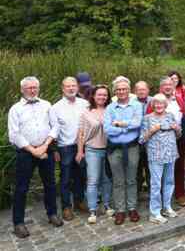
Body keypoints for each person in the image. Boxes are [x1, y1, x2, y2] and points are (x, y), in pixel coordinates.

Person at [9, 76, 63, 238]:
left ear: (38, 89)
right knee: (21, 188)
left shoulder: (47, 105)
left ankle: (52, 213)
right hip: (26, 152)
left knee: (50, 184)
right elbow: (14, 134)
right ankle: (18, 223)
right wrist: (33, 150)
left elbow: (55, 126)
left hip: (46, 148)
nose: (32, 90)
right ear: (22, 89)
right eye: (29, 88)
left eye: (35, 87)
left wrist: (45, 146)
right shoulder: (15, 109)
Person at [104, 76, 143, 225]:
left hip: (132, 148)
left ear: (129, 90)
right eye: (118, 89)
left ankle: (132, 208)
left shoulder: (136, 105)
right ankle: (120, 210)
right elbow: (107, 129)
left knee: (132, 179)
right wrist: (126, 128)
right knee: (118, 181)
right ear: (115, 91)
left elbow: (137, 123)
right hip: (115, 149)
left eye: (124, 89)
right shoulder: (110, 108)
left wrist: (119, 124)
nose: (121, 91)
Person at [50, 77, 90, 221]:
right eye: (68, 86)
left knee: (81, 175)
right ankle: (66, 206)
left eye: (73, 86)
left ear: (77, 87)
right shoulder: (55, 108)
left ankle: (79, 201)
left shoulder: (85, 104)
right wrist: (54, 150)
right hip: (65, 147)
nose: (71, 88)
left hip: (82, 145)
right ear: (62, 88)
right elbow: (53, 130)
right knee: (66, 178)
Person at [140, 94, 181, 224]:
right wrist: (151, 131)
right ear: (152, 105)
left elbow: (179, 135)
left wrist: (177, 128)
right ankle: (155, 212)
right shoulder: (147, 118)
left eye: (161, 103)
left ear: (165, 105)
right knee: (156, 184)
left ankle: (167, 207)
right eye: (156, 103)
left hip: (171, 153)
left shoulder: (170, 116)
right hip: (156, 155)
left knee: (169, 181)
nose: (159, 105)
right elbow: (141, 139)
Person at [77, 85, 113, 224]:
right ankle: (92, 209)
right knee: (93, 181)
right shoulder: (86, 112)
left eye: (105, 95)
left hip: (109, 149)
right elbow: (80, 133)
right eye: (99, 94)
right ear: (93, 96)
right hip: (92, 150)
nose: (102, 97)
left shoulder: (111, 110)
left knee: (107, 179)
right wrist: (80, 151)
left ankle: (106, 204)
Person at [156, 76, 185, 207]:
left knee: (179, 167)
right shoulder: (156, 100)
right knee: (161, 169)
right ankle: (163, 196)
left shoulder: (179, 100)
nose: (168, 87)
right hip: (160, 140)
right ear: (161, 87)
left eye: (170, 85)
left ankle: (180, 194)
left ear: (174, 86)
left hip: (178, 138)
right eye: (165, 85)